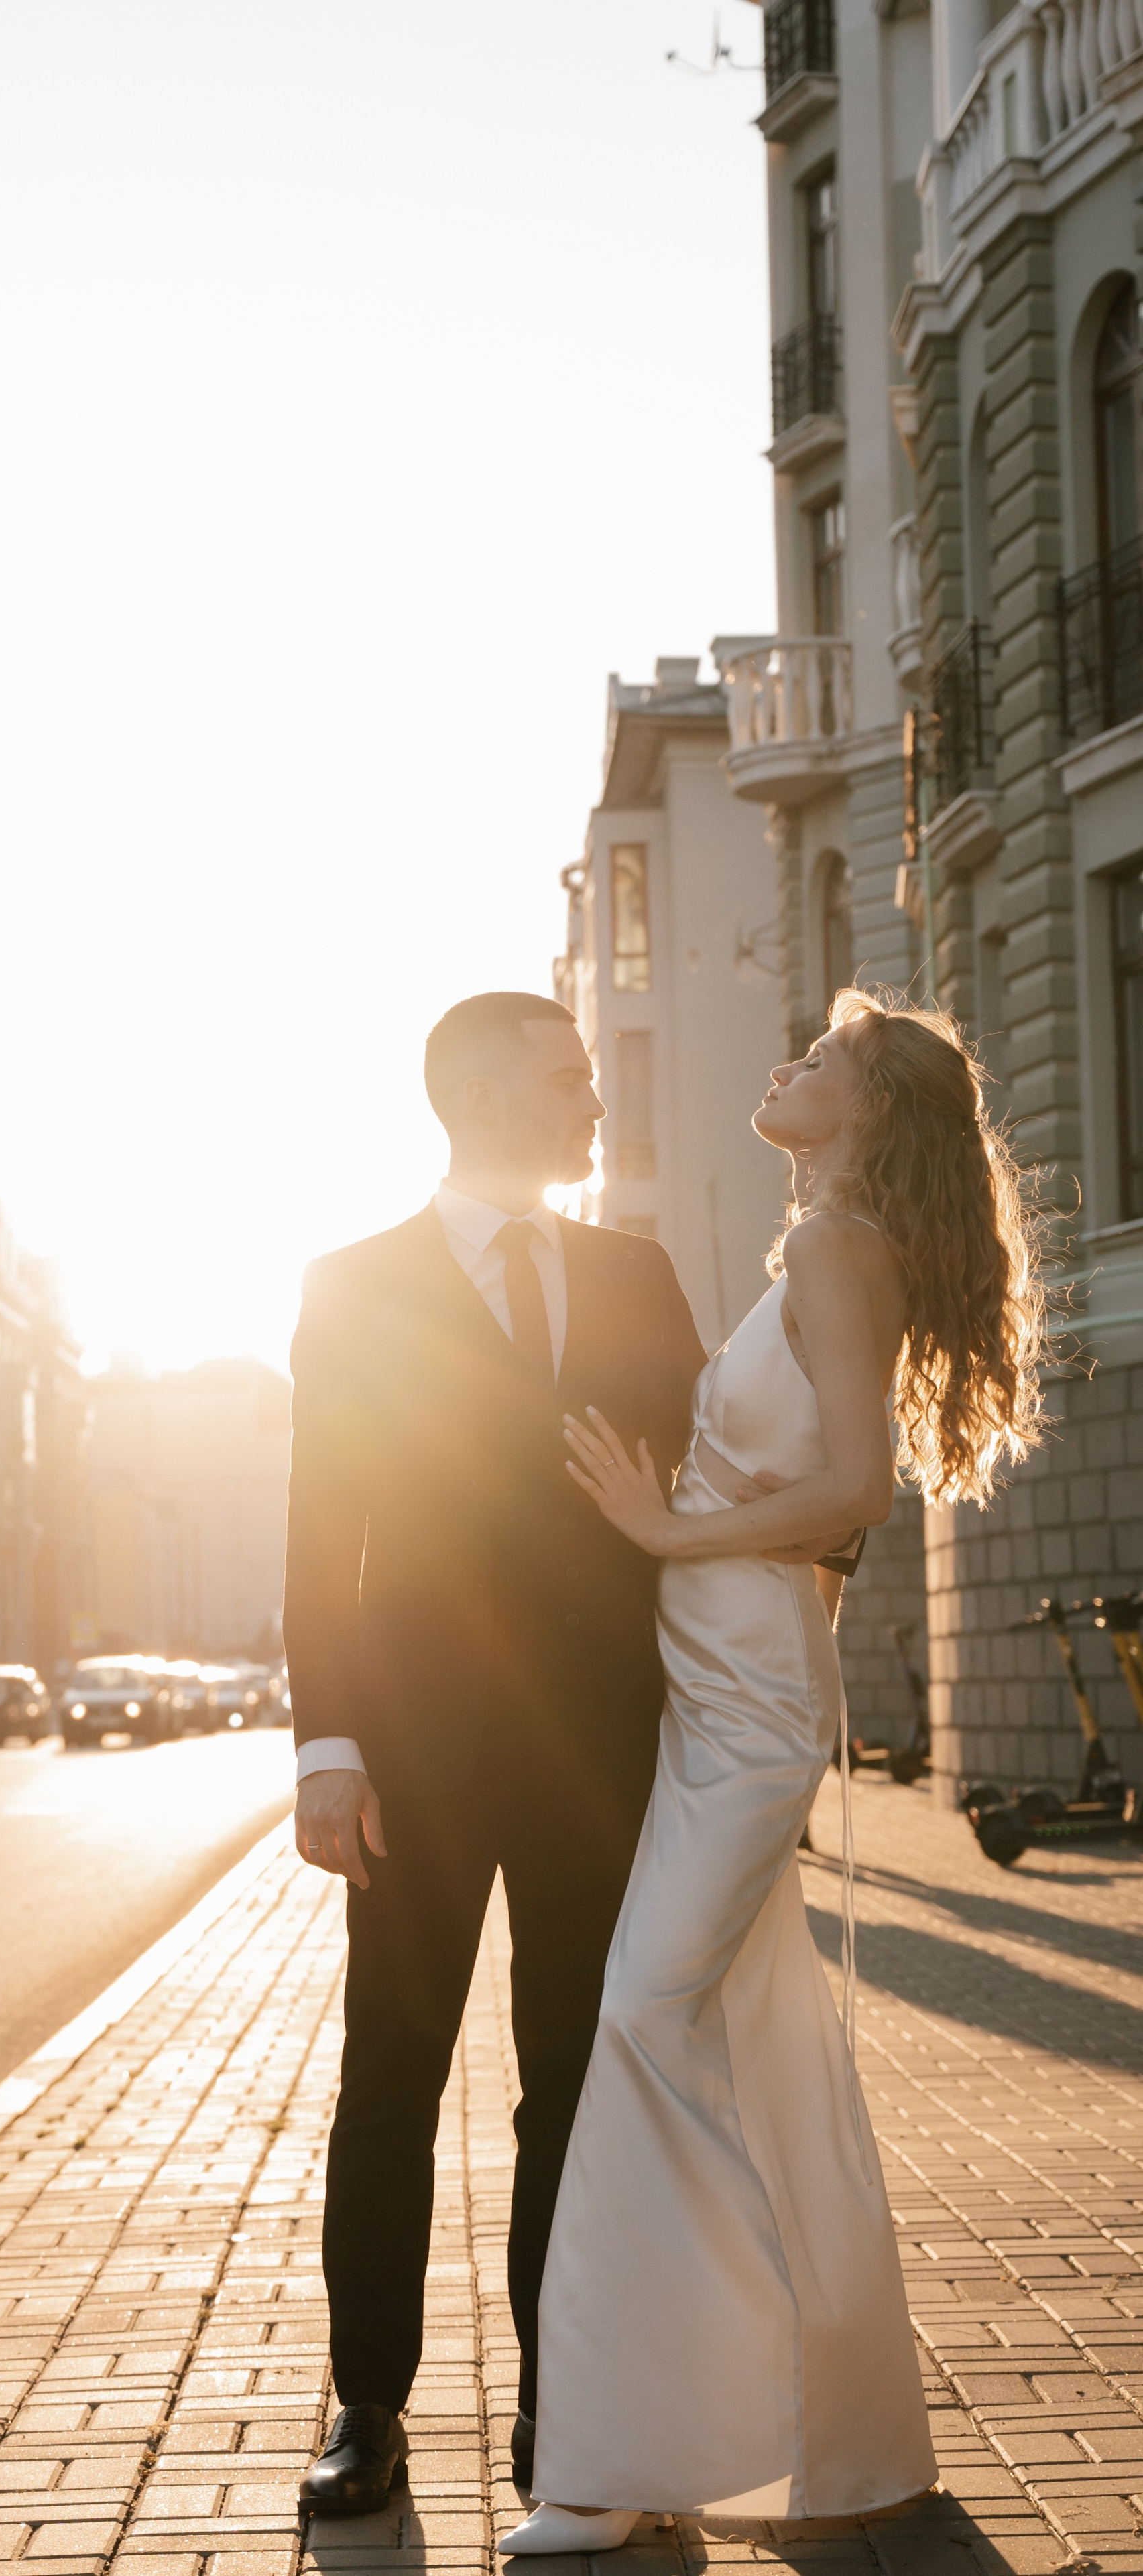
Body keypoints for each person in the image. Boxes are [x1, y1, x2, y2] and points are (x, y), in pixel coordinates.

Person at [286, 992, 857, 2521]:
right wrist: (325, 1745)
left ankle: (572, 2411)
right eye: (567, 1077)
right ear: (474, 1090)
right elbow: (317, 1529)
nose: (592, 1100)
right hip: (416, 1750)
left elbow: (710, 1473)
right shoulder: (352, 1285)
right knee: (388, 2071)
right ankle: (369, 2405)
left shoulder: (632, 1270)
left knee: (574, 2081)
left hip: (602, 1747)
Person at [503, 992, 1044, 2553]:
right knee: (750, 2030)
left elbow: (855, 1481)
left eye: (815, 1059)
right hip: (720, 1667)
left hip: (740, 1691)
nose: (780, 1067)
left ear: (866, 1107)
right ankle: (795, 2428)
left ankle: (628, 2452)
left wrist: (668, 1528)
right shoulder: (817, 1234)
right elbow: (827, 1500)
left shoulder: (831, 1244)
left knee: (638, 2011)